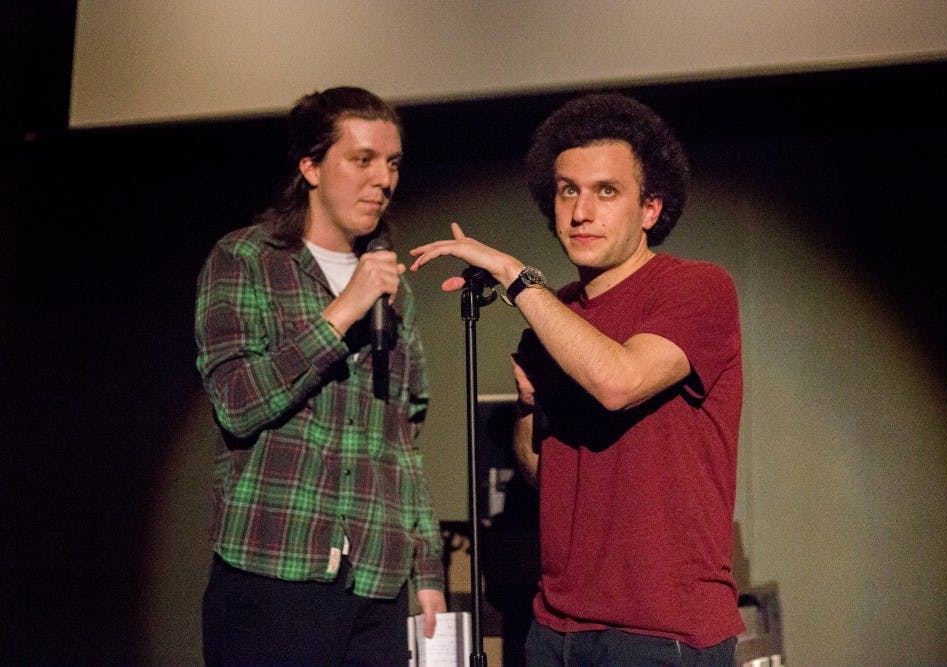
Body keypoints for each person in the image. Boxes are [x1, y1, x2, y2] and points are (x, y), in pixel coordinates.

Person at [409, 92, 744, 665]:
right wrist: (525, 409)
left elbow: (619, 381)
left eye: (606, 191)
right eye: (569, 190)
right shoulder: (553, 314)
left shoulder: (697, 288)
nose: (581, 212)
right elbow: (550, 472)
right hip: (556, 628)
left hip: (660, 633)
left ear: (651, 208)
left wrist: (515, 275)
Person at [195, 86, 446, 666]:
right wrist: (341, 313)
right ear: (310, 166)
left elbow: (402, 441)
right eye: (362, 160)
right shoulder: (246, 261)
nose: (383, 179)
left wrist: (426, 567)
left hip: (376, 583)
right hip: (275, 569)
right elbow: (237, 402)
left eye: (393, 163)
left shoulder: (393, 288)